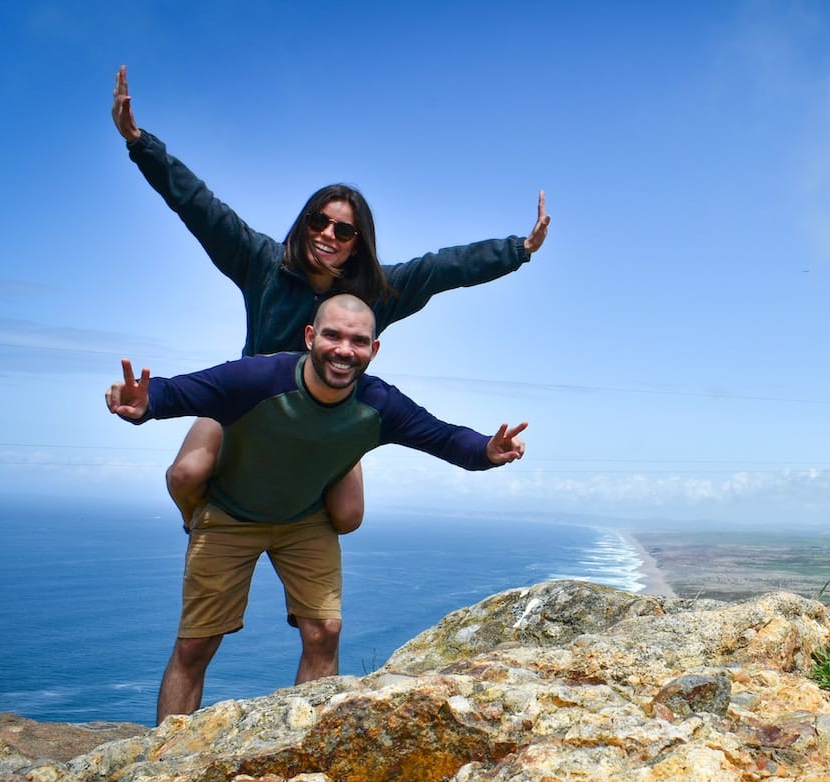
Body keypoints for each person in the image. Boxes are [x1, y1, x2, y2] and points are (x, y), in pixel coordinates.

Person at [111, 65, 548, 534]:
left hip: (330, 417)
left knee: (347, 516)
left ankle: (301, 537)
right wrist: (140, 142)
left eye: (342, 230)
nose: (327, 235)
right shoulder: (261, 263)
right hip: (250, 406)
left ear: (356, 242)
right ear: (305, 223)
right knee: (185, 474)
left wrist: (517, 250)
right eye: (318, 222)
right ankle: (199, 521)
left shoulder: (376, 293)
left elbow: (444, 267)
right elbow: (200, 207)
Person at [106, 294, 527, 722]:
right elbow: (178, 391)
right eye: (333, 336)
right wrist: (144, 404)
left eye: (359, 341)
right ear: (310, 337)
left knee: (324, 631)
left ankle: (304, 742)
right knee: (195, 644)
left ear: (374, 349)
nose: (345, 350)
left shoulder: (380, 403)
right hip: (229, 515)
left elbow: (442, 437)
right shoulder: (259, 378)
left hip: (305, 520)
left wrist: (486, 450)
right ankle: (163, 761)